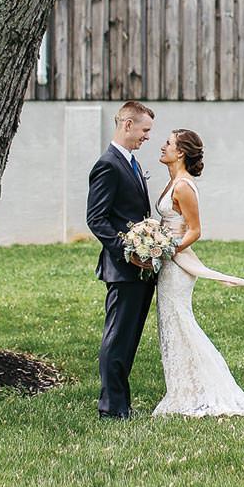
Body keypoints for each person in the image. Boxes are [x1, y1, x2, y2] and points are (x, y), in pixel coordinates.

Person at [149, 128, 244, 418]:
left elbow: (195, 230)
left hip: (177, 267)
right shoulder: (172, 182)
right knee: (170, 324)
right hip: (168, 263)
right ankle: (183, 388)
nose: (162, 146)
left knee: (181, 322)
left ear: (180, 152)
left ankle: (208, 388)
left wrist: (167, 250)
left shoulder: (183, 187)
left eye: (167, 143)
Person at [87, 100, 157, 419]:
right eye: (144, 130)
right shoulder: (108, 165)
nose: (147, 137)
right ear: (127, 125)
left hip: (141, 270)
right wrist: (129, 252)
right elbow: (97, 219)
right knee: (117, 340)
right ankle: (111, 409)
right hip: (123, 269)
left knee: (128, 342)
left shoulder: (131, 162)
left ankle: (122, 405)